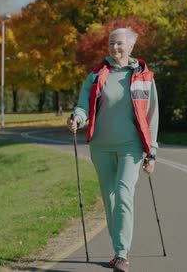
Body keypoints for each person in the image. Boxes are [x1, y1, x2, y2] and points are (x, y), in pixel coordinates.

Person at [67, 27, 159, 272]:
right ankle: (118, 245)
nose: (114, 48)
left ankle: (121, 253)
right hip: (101, 146)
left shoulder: (144, 77)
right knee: (109, 199)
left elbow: (152, 116)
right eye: (111, 44)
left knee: (123, 193)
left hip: (131, 146)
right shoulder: (97, 76)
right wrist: (77, 118)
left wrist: (152, 153)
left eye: (119, 44)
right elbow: (83, 106)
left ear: (130, 47)